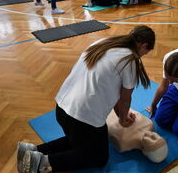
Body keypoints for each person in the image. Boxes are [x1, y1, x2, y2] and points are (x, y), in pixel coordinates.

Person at [16, 25, 156, 173]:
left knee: (81, 142)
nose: (143, 56)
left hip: (62, 108)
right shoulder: (130, 61)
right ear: (144, 45)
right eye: (146, 52)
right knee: (98, 157)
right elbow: (125, 98)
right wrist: (122, 119)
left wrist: (121, 114)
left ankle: (32, 150)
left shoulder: (104, 43)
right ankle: (41, 162)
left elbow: (115, 92)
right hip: (82, 119)